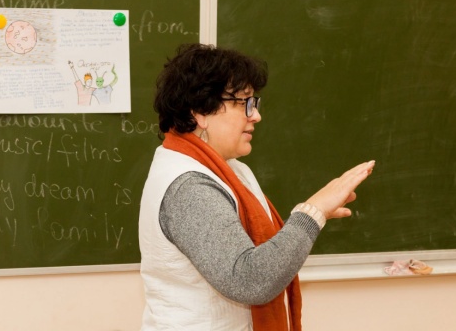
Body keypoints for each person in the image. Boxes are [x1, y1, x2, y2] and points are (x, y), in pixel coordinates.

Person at [139, 43, 375, 331]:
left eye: (255, 103)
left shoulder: (231, 168)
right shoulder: (189, 186)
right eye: (244, 104)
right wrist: (313, 212)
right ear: (200, 112)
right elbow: (250, 280)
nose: (256, 116)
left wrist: (316, 213)